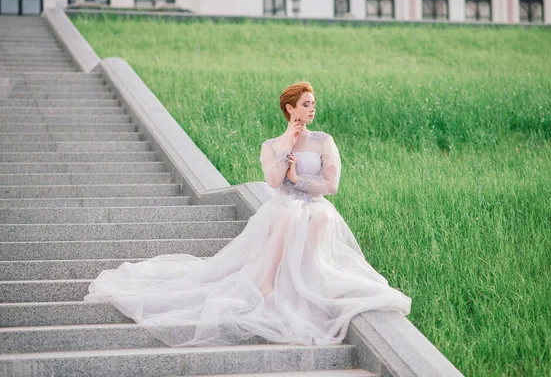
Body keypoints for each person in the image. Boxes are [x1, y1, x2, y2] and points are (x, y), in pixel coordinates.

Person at [84, 81, 411, 347]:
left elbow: (331, 185)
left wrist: (299, 180)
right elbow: (271, 181)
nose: (313, 109)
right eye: (307, 104)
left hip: (314, 203)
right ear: (290, 108)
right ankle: (267, 283)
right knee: (286, 216)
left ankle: (309, 280)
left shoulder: (324, 141)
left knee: (319, 217)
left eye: (313, 103)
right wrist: (287, 145)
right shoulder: (272, 144)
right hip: (283, 203)